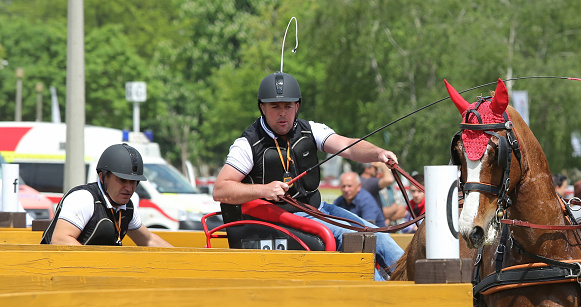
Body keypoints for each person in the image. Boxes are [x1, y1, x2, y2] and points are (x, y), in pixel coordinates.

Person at [213, 71, 403, 279]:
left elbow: (348, 145)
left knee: (375, 233)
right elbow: (221, 189)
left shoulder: (311, 130)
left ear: (297, 106)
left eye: (288, 106)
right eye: (275, 107)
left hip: (319, 209)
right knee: (350, 236)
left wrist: (378, 153)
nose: (282, 113)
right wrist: (264, 190)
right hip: (282, 218)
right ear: (262, 107)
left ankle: (409, 282)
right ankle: (380, 294)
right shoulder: (247, 144)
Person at [41, 143, 173, 247]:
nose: (129, 188)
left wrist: (186, 261)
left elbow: (148, 241)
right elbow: (60, 239)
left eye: (134, 182)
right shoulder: (83, 198)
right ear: (103, 177)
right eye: (122, 180)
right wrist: (100, 265)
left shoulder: (127, 207)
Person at [361, 161, 404, 225]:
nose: (377, 171)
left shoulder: (361, 182)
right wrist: (383, 165)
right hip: (375, 226)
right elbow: (389, 179)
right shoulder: (368, 182)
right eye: (375, 168)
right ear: (367, 170)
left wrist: (387, 216)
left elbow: (403, 211)